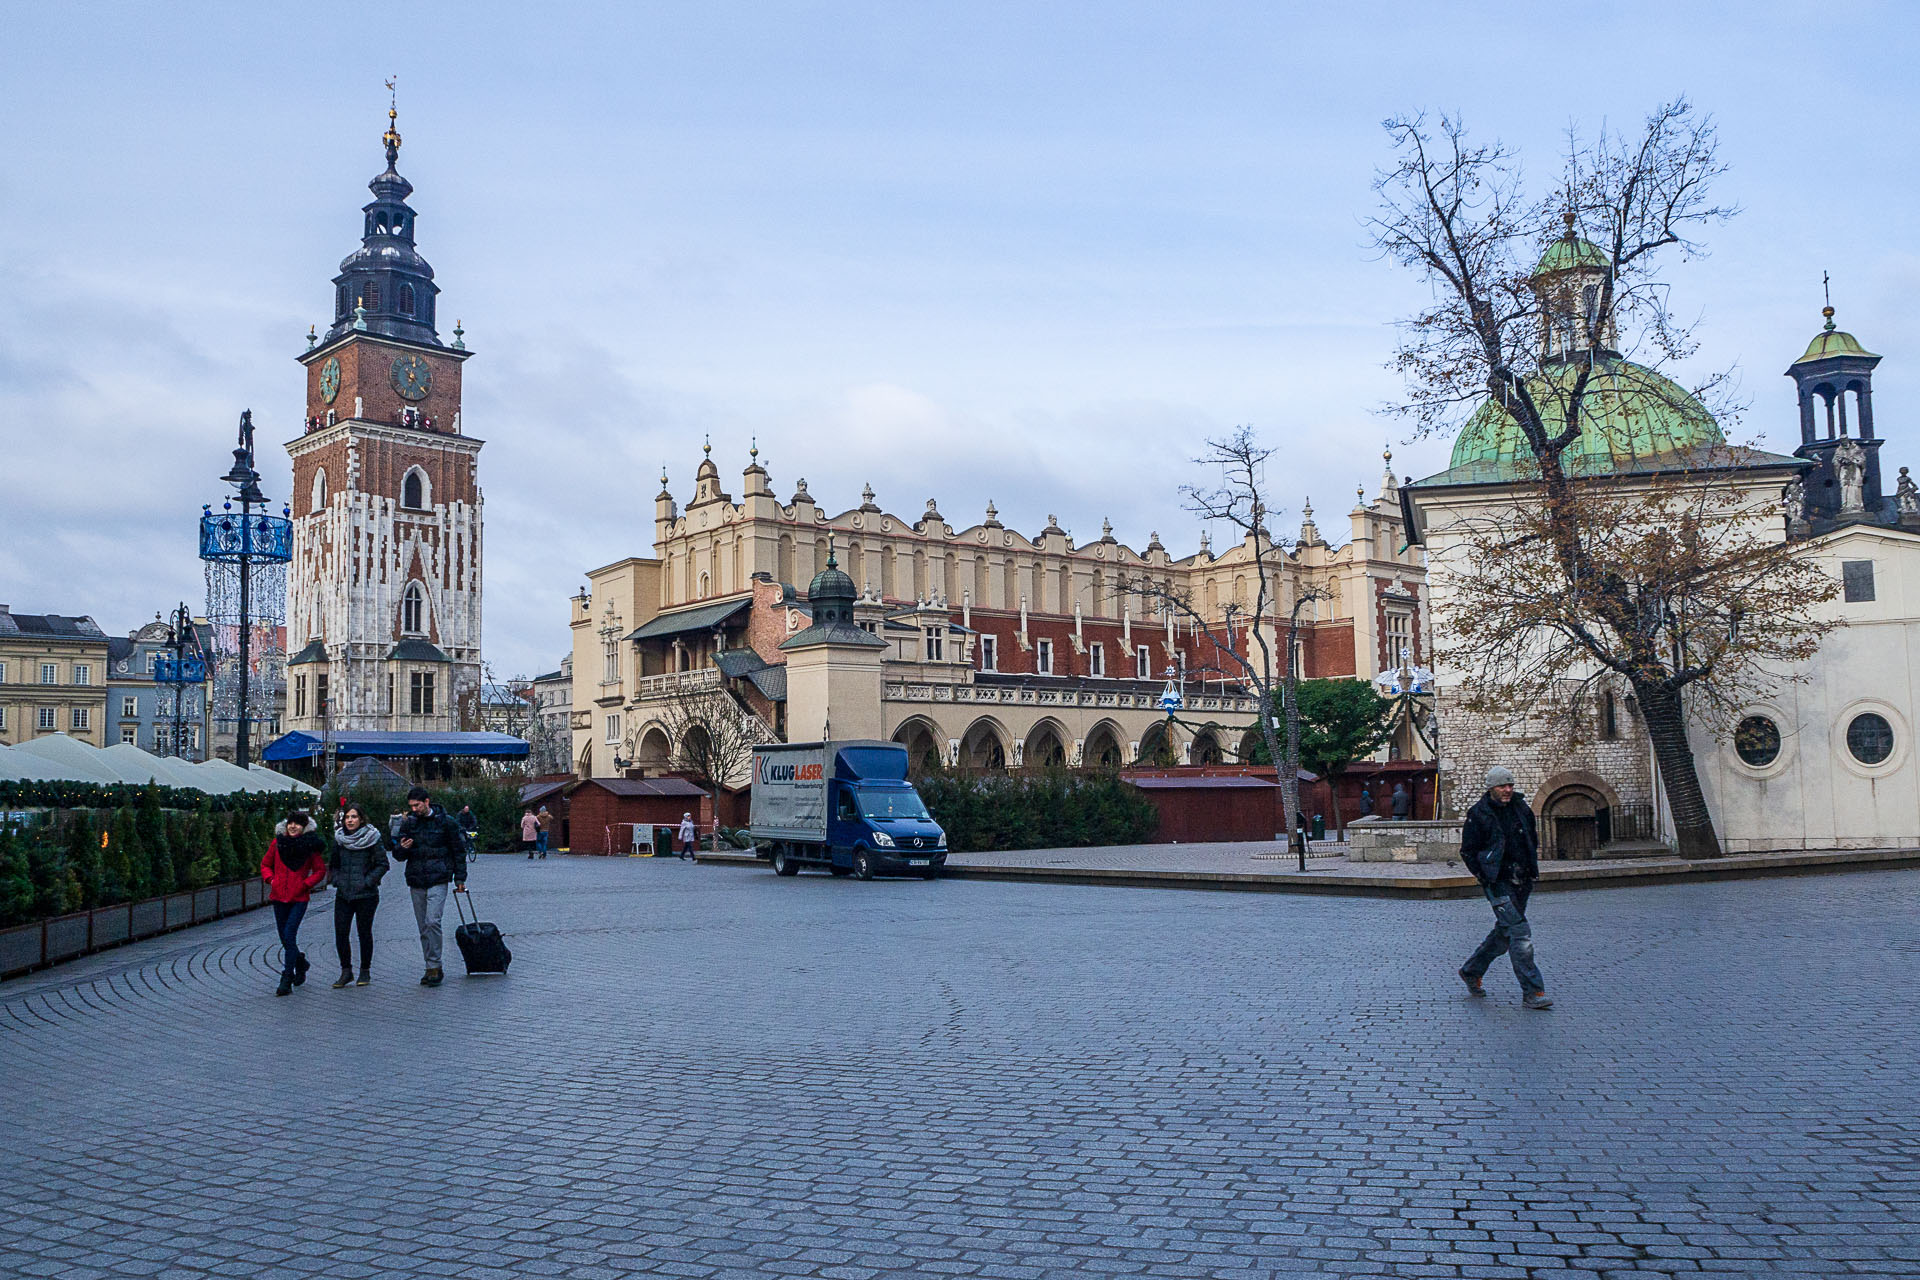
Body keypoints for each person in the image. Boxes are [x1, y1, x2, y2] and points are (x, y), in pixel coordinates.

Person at [1457, 765, 1552, 1010]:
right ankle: (1533, 991)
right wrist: (1485, 876)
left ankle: (1472, 970)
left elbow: (1531, 837)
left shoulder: (1521, 808)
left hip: (1522, 880)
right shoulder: (1479, 814)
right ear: (1492, 788)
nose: (1508, 790)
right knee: (1520, 934)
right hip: (1498, 883)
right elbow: (1468, 850)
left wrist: (1530, 867)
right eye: (1502, 786)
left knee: (1505, 931)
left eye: (1510, 785)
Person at [392, 785, 468, 987]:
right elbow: (398, 855)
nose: (414, 809)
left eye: (417, 805)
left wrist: (460, 878)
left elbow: (458, 851)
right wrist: (402, 848)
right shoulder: (409, 824)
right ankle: (430, 966)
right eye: (411, 806)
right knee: (423, 926)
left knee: (432, 920)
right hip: (417, 879)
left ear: (427, 802)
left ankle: (434, 964)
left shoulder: (447, 823)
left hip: (439, 877)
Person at [261, 811, 328, 997]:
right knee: (285, 938)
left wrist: (305, 884)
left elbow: (320, 870)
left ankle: (286, 978)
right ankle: (301, 963)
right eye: (290, 823)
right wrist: (271, 879)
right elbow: (265, 864)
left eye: (298, 824)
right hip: (278, 897)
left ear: (304, 827)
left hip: (298, 898)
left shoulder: (310, 847)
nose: (293, 826)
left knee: (289, 934)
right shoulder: (278, 843)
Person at [329, 804, 388, 988]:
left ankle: (365, 970)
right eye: (347, 817)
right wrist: (337, 880)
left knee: (364, 932)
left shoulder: (372, 838)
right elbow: (333, 865)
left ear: (361, 819)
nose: (350, 820)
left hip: (366, 895)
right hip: (344, 894)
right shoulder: (340, 839)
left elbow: (382, 864)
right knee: (341, 933)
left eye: (354, 816)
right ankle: (346, 970)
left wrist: (367, 881)